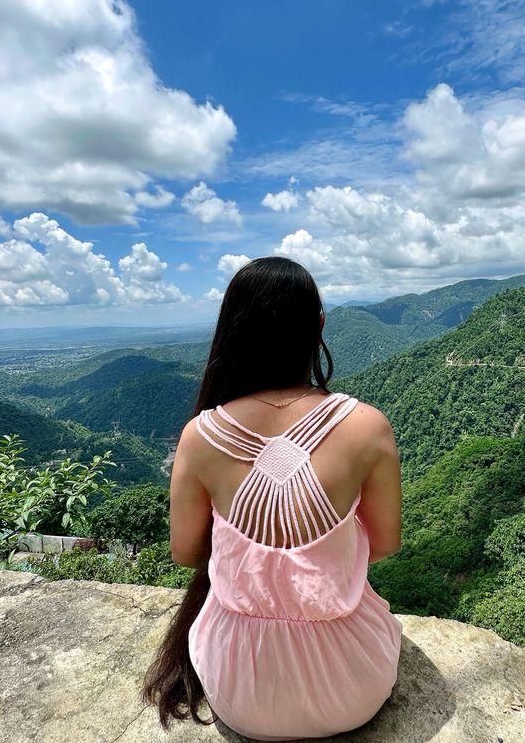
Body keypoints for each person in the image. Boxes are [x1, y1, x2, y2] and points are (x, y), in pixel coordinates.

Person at [142, 256, 403, 740]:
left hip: (239, 689)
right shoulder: (368, 426)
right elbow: (385, 544)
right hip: (354, 686)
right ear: (319, 324)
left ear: (231, 330)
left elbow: (185, 552)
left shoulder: (201, 435)